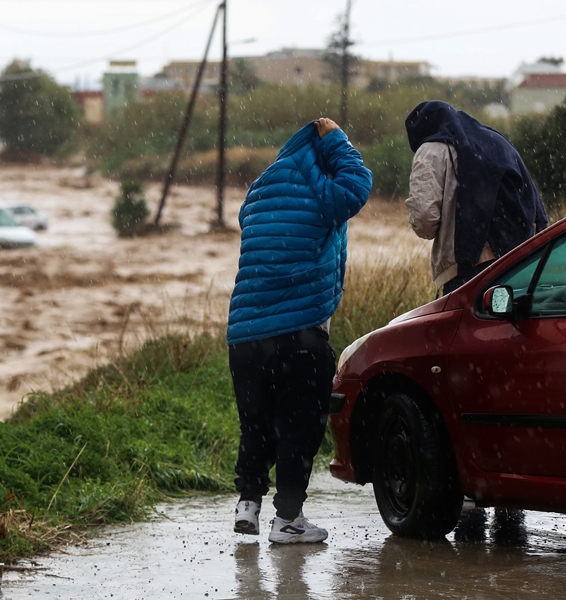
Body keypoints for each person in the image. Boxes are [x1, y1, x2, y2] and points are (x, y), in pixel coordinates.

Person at [228, 118, 372, 544]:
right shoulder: (327, 190)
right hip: (300, 335)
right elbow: (358, 184)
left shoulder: (259, 188)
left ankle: (248, 506)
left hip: (245, 336)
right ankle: (288, 520)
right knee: (299, 426)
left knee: (255, 423)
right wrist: (338, 139)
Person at [404, 100, 548, 295]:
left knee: (467, 325)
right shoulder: (495, 140)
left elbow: (424, 219)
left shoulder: (431, 150)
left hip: (467, 267)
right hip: (520, 260)